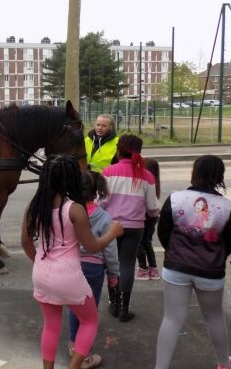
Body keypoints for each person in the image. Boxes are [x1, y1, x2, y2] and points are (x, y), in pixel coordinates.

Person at [21, 155, 123, 369]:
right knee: (89, 321)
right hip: (68, 275)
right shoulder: (74, 209)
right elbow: (92, 246)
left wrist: (38, 262)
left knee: (51, 325)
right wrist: (112, 233)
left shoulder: (34, 206)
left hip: (41, 273)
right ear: (70, 180)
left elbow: (25, 241)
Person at [155, 155, 231, 369]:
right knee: (214, 316)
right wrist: (214, 254)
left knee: (172, 318)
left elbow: (164, 233)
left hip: (176, 266)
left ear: (194, 172)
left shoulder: (175, 199)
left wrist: (176, 251)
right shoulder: (227, 206)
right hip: (211, 270)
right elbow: (228, 242)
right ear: (220, 176)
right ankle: (222, 363)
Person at [100, 134, 159, 322]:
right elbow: (152, 208)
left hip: (112, 226)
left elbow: (101, 202)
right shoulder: (147, 176)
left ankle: (114, 303)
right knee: (127, 265)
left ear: (118, 150)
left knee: (112, 264)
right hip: (135, 227)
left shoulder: (108, 172)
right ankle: (125, 308)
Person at [67, 170, 120, 369]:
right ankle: (84, 356)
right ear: (96, 190)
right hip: (93, 269)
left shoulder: (69, 212)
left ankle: (74, 345)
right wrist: (113, 274)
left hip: (71, 266)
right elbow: (110, 249)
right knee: (89, 315)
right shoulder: (104, 217)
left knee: (75, 308)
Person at [136, 158, 162, 281]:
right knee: (147, 242)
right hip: (153, 216)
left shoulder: (145, 181)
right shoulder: (156, 183)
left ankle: (142, 269)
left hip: (144, 215)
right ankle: (153, 269)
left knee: (139, 243)